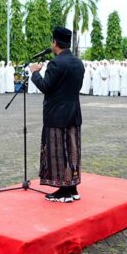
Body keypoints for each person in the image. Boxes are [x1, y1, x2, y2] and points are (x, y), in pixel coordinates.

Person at [29, 27, 85, 203]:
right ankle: (72, 187)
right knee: (72, 151)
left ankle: (63, 190)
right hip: (73, 114)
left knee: (59, 153)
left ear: (55, 43)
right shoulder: (78, 62)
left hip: (57, 117)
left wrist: (35, 73)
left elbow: (46, 86)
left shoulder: (56, 63)